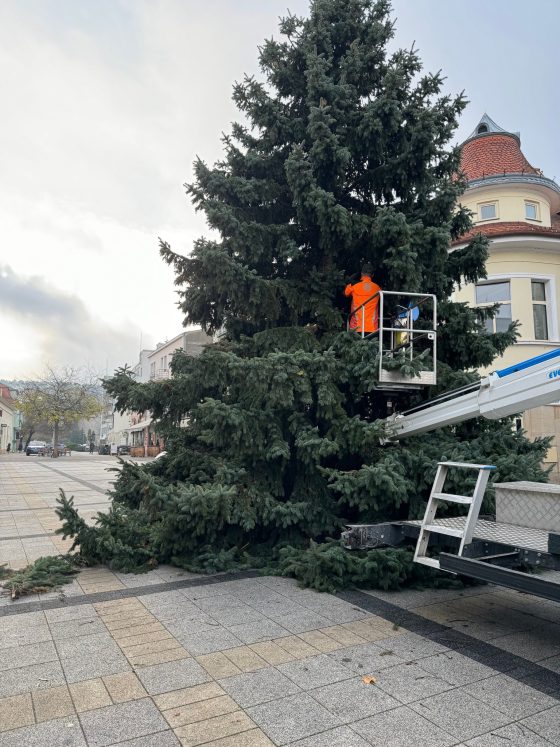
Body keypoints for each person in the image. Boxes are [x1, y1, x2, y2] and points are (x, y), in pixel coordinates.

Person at [345, 264, 381, 334]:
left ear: (361, 273)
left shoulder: (354, 287)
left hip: (356, 328)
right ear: (372, 275)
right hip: (372, 328)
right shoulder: (378, 289)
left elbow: (346, 293)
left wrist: (351, 279)